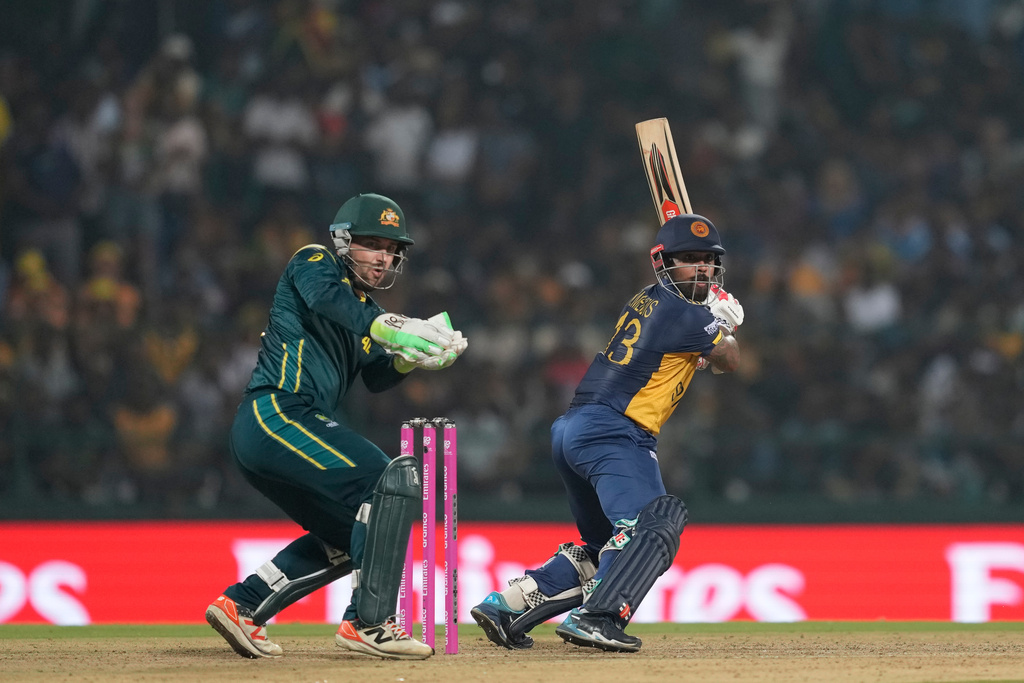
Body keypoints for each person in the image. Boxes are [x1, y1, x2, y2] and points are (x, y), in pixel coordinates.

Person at [205, 193, 467, 661]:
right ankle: (369, 623)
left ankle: (242, 604)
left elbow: (375, 375)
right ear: (343, 242)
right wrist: (394, 325)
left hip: (279, 428)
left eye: (391, 249)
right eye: (372, 244)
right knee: (390, 478)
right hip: (276, 412)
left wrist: (412, 359)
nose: (383, 257)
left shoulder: (362, 306)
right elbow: (330, 300)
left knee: (354, 534)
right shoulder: (313, 261)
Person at [471, 214, 742, 653]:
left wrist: (710, 318)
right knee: (654, 523)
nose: (702, 269)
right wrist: (727, 324)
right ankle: (598, 616)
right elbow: (730, 359)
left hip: (575, 429)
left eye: (708, 261)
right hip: (616, 433)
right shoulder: (684, 314)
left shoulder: (648, 300)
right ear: (663, 263)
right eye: (689, 260)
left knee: (606, 548)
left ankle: (509, 605)